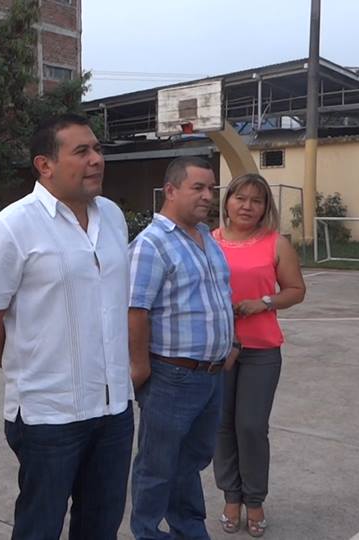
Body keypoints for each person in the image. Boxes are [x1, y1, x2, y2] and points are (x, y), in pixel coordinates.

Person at [0, 113, 134, 540]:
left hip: (114, 410)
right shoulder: (12, 227)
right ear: (45, 164)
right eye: (82, 151)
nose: (96, 159)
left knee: (101, 527)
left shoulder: (112, 217)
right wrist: (30, 368)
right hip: (48, 416)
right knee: (38, 529)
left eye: (98, 149)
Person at [128, 156, 238, 540]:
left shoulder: (208, 238)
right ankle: (147, 531)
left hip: (211, 375)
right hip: (171, 375)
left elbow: (221, 295)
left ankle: (189, 529)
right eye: (198, 188)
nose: (209, 196)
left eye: (211, 188)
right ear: (170, 191)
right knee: (157, 466)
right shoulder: (151, 244)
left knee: (191, 461)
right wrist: (139, 367)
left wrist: (231, 343)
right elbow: (135, 309)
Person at [212, 174, 306, 537]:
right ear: (228, 202)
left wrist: (263, 302)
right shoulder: (209, 241)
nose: (247, 206)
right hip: (218, 348)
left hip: (261, 350)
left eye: (256, 200)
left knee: (250, 427)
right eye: (240, 198)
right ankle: (230, 497)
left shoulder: (275, 243)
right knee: (221, 427)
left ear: (266, 207)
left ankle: (255, 499)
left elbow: (296, 290)